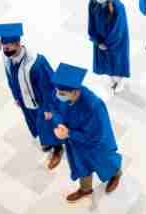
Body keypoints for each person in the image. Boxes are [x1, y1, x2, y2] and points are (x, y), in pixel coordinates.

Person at [49, 63, 123, 203]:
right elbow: (55, 108)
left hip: (96, 144)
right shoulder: (61, 92)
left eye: (62, 94)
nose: (58, 95)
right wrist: (59, 124)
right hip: (76, 143)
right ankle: (85, 189)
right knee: (81, 165)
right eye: (58, 92)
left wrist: (69, 133)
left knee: (105, 162)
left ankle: (116, 174)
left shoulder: (93, 106)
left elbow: (94, 137)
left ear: (76, 92)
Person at [0, 23, 63, 170]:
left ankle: (57, 148)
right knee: (34, 122)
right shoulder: (8, 59)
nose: (5, 51)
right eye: (3, 48)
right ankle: (45, 140)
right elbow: (10, 79)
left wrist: (48, 108)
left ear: (18, 44)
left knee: (49, 123)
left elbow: (49, 88)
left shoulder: (36, 63)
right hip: (25, 100)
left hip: (41, 103)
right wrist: (16, 97)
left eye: (8, 48)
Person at [88, 0, 130, 93]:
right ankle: (113, 82)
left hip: (116, 41)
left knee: (117, 61)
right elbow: (91, 21)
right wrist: (97, 40)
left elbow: (119, 29)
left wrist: (107, 44)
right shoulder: (93, 1)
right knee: (105, 63)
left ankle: (120, 81)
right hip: (100, 40)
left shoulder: (118, 6)